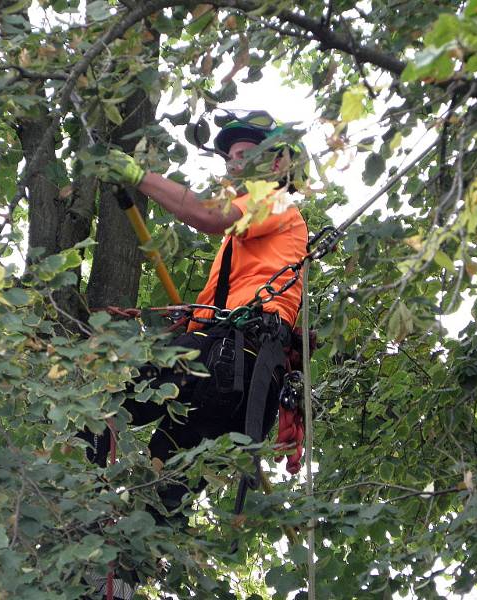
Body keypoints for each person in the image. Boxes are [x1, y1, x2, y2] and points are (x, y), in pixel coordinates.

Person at [83, 110, 308, 598]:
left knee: (100, 404)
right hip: (229, 374)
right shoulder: (249, 238)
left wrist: (141, 179)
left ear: (278, 163)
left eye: (247, 155)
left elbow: (207, 215)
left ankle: (84, 513)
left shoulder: (274, 205)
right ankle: (112, 571)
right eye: (230, 158)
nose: (234, 164)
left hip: (231, 363)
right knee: (164, 490)